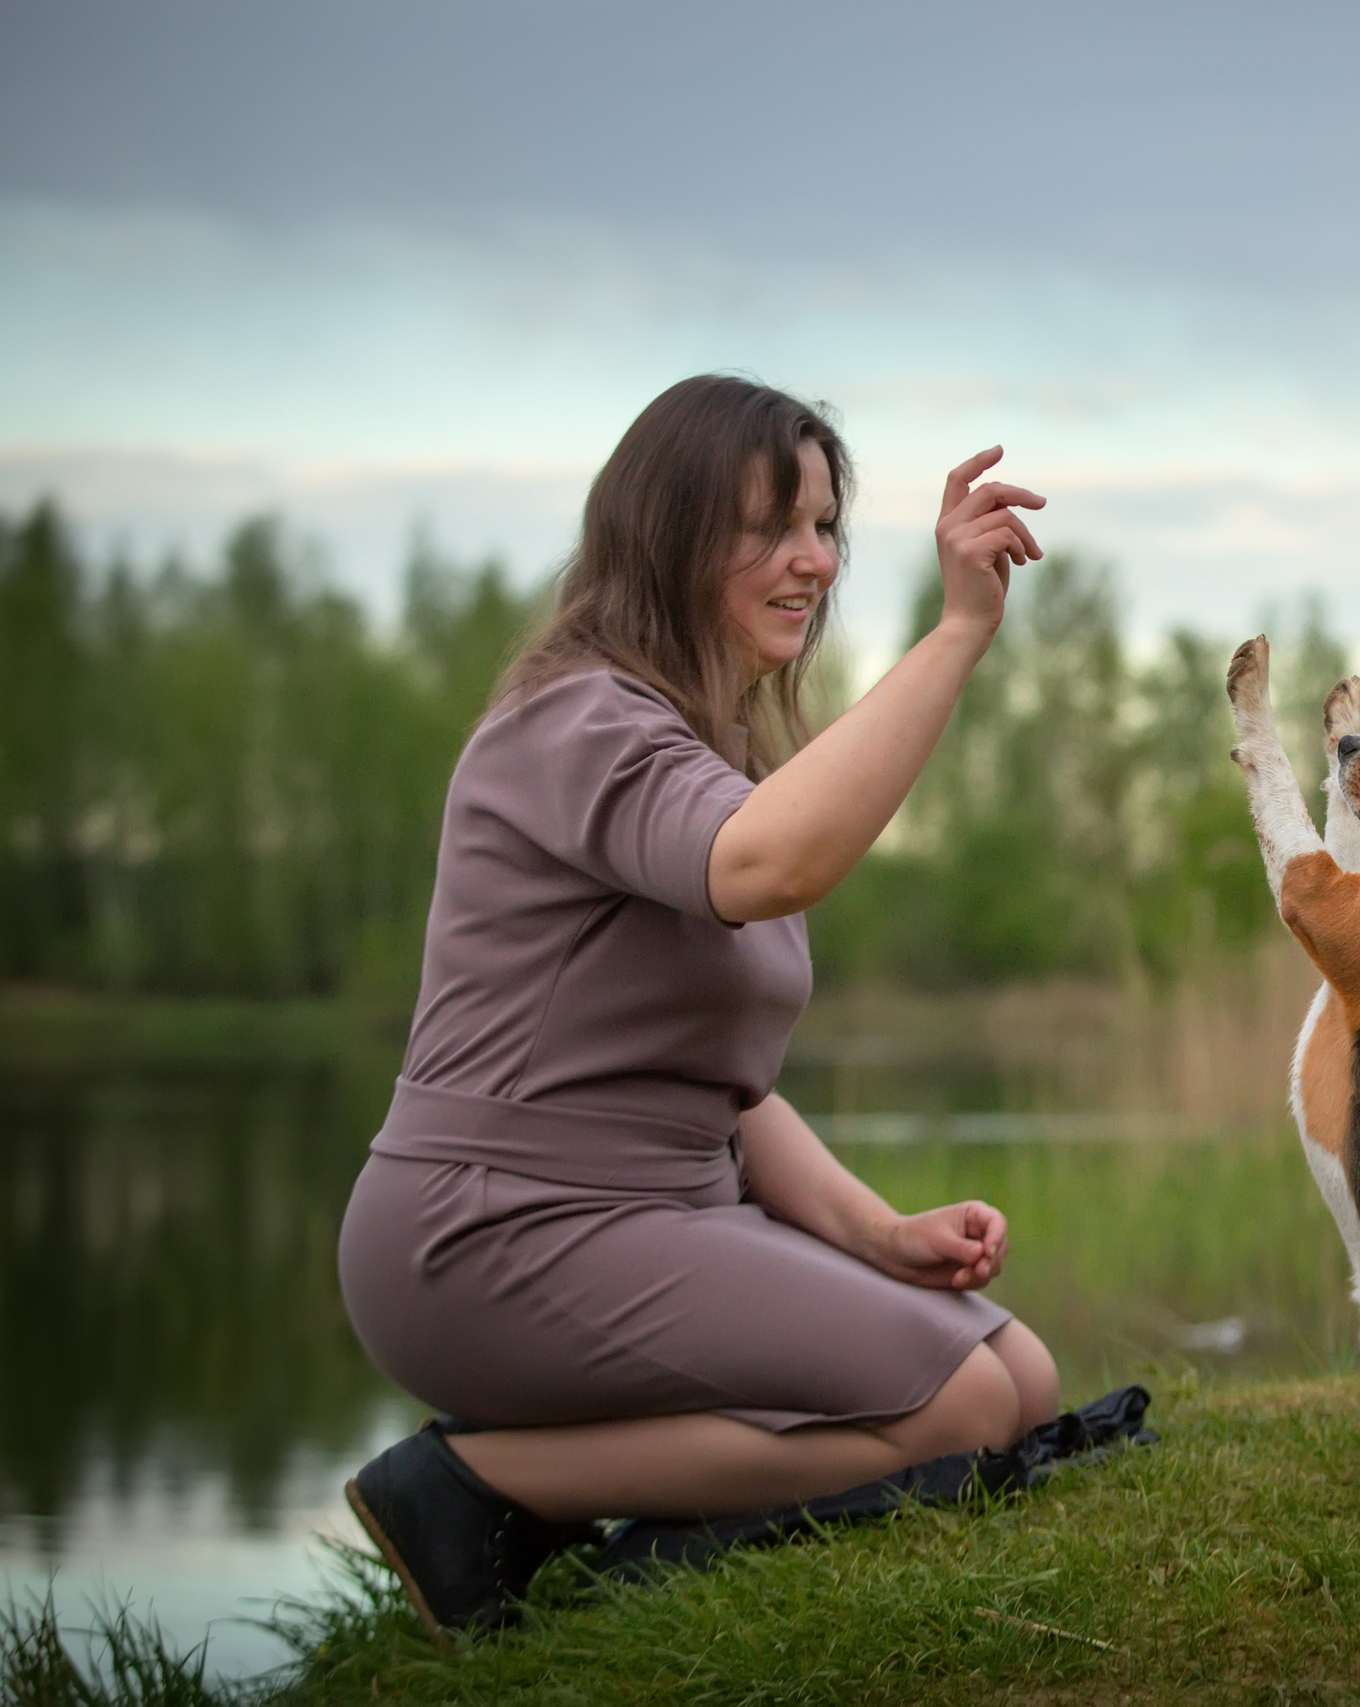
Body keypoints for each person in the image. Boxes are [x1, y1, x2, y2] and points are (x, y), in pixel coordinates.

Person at [335, 374, 1058, 1640]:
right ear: (667, 534)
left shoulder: (716, 753)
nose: (812, 561)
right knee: (962, 1408)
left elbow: (724, 1089)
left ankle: (574, 1506)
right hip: (492, 1231)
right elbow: (769, 862)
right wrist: (953, 636)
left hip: (658, 1213)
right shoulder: (574, 721)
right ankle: (473, 1488)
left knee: (1023, 1380)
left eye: (823, 526)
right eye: (768, 528)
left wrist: (877, 1233)